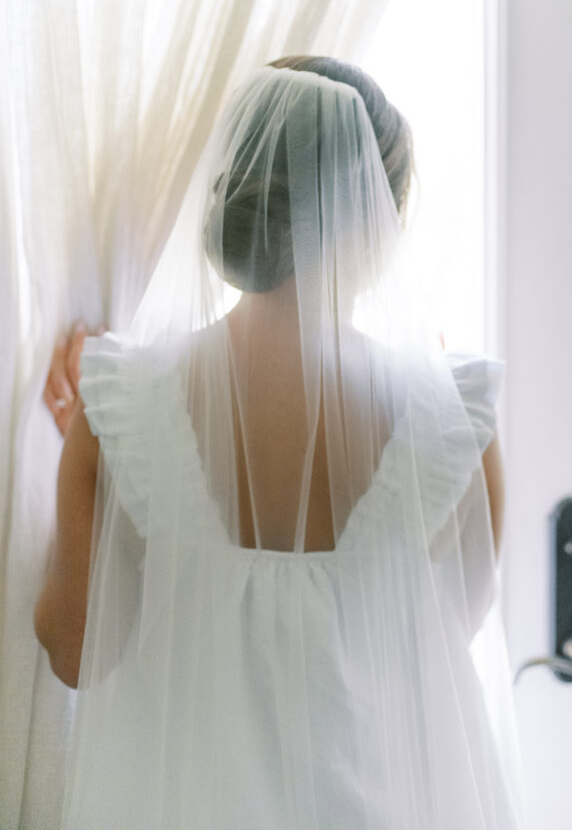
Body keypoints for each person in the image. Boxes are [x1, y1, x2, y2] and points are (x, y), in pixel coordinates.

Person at [35, 58, 524, 828]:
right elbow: (439, 638)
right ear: (375, 218)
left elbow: (72, 651)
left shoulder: (118, 406)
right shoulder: (456, 420)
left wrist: (116, 457)